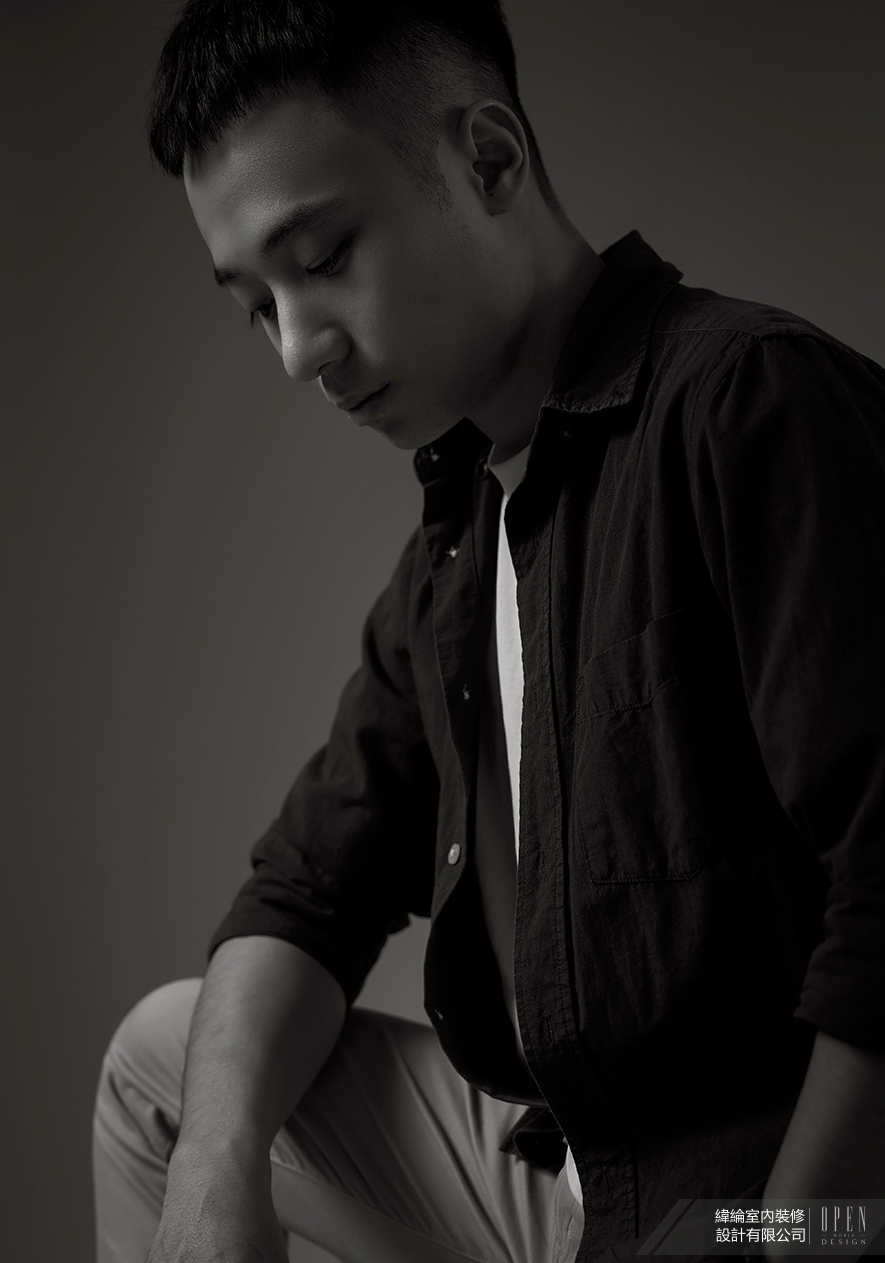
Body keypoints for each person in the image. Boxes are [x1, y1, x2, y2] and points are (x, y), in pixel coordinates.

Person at [92, 2, 885, 1261]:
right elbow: (305, 892)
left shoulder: (748, 405)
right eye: (255, 303)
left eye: (323, 255)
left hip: (777, 1208)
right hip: (583, 1195)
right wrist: (216, 1166)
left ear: (490, 160)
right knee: (165, 1071)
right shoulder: (458, 548)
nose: (297, 349)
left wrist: (790, 1243)